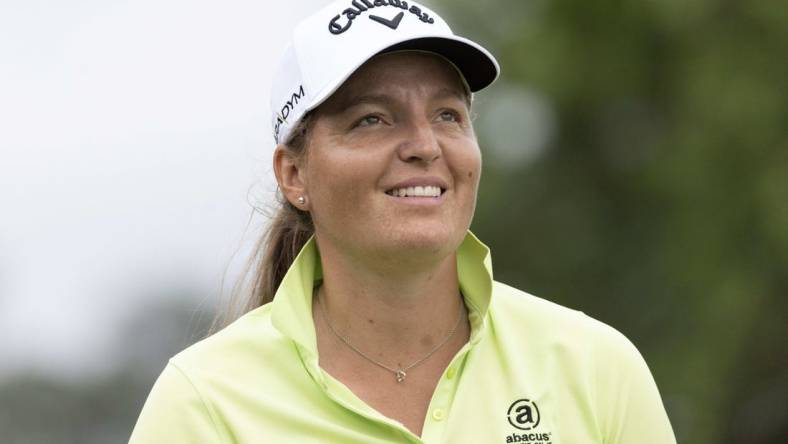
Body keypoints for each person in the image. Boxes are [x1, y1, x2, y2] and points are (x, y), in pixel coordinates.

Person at [130, 1, 676, 442]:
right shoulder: (204, 402)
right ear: (294, 174)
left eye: (447, 115)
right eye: (372, 119)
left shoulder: (595, 367)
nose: (424, 145)